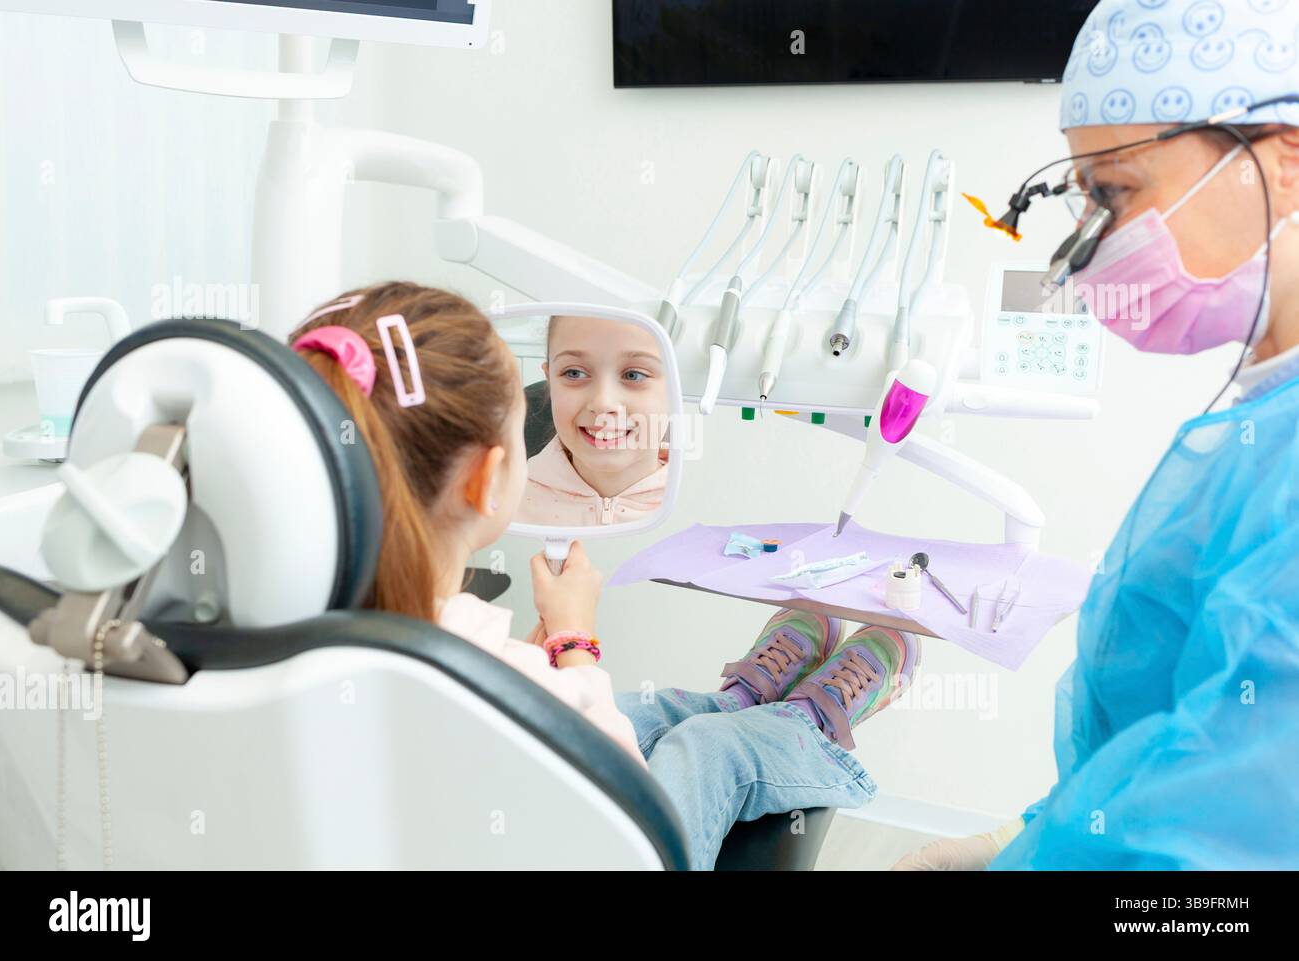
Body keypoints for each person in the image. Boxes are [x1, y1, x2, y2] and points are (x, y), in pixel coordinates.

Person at [291, 282, 918, 870]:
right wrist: (573, 642)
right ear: (488, 480)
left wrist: (542, 673)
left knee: (652, 710)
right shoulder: (491, 671)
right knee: (708, 750)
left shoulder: (285, 625)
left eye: (636, 376)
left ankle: (742, 700)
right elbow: (624, 819)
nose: (603, 403)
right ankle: (803, 721)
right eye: (569, 377)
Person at [894, 0, 1299, 870]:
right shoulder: (1253, 426)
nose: (1094, 243)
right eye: (1086, 198)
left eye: (1115, 192)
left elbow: (1234, 841)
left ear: (1285, 156)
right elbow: (1170, 737)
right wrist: (1023, 839)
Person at [515, 313, 670, 526]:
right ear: (549, 378)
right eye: (574, 373)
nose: (603, 404)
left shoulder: (696, 503)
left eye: (634, 375)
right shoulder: (502, 503)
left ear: (676, 383)